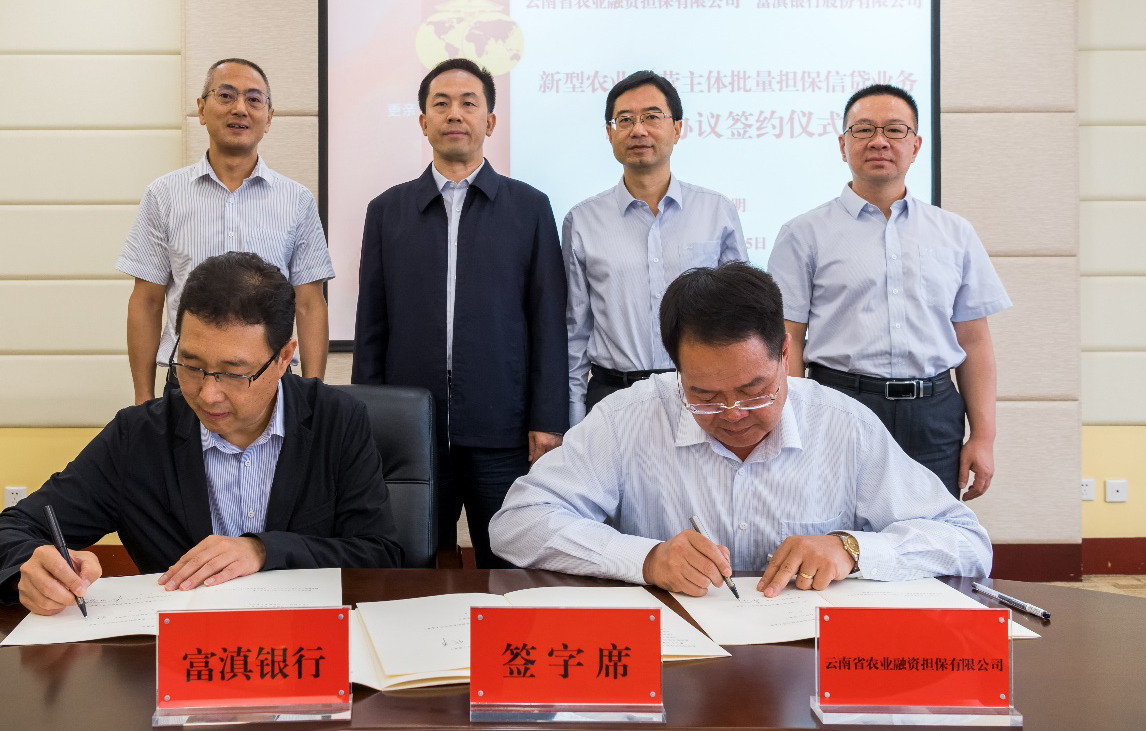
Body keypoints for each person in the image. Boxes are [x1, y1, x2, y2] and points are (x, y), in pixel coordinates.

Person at [489, 263, 991, 597]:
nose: (732, 413)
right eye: (704, 395)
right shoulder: (628, 417)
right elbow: (517, 523)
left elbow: (967, 543)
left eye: (755, 391)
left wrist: (851, 550)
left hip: (801, 665)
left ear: (785, 355)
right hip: (674, 658)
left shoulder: (843, 424)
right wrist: (646, 559)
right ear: (676, 369)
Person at [0, 252, 401, 614]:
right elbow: (2, 535)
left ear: (284, 357)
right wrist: (29, 567)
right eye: (191, 365)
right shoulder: (139, 437)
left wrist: (264, 550)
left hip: (305, 648)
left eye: (234, 373)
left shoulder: (336, 421)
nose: (208, 394)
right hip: (178, 660)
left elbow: (381, 555)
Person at [353, 57, 569, 568]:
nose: (455, 114)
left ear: (489, 121)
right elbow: (371, 326)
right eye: (441, 104)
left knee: (510, 565)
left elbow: (548, 322)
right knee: (409, 567)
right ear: (422, 121)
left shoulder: (529, 208)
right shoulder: (387, 211)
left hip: (503, 428)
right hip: (412, 431)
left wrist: (547, 419)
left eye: (468, 103)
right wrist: (370, 420)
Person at [768, 83, 1011, 501]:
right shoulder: (802, 234)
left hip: (934, 415)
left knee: (933, 531)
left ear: (915, 146)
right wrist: (793, 422)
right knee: (837, 527)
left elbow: (974, 341)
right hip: (840, 405)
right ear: (843, 145)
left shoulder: (954, 233)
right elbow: (788, 338)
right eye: (863, 129)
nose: (879, 141)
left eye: (895, 130)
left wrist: (983, 437)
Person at [118, 58, 334, 405]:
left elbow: (310, 304)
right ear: (202, 109)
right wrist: (143, 399)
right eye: (226, 95)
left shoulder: (297, 200)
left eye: (254, 99)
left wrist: (314, 398)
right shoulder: (164, 195)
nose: (240, 109)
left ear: (269, 118)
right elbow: (146, 301)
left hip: (269, 381)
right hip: (188, 380)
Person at [563, 70, 747, 426]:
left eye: (651, 117)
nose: (638, 130)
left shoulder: (717, 212)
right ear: (609, 133)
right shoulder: (582, 220)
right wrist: (572, 418)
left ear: (677, 129)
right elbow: (575, 331)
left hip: (700, 395)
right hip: (612, 398)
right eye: (625, 120)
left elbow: (740, 318)